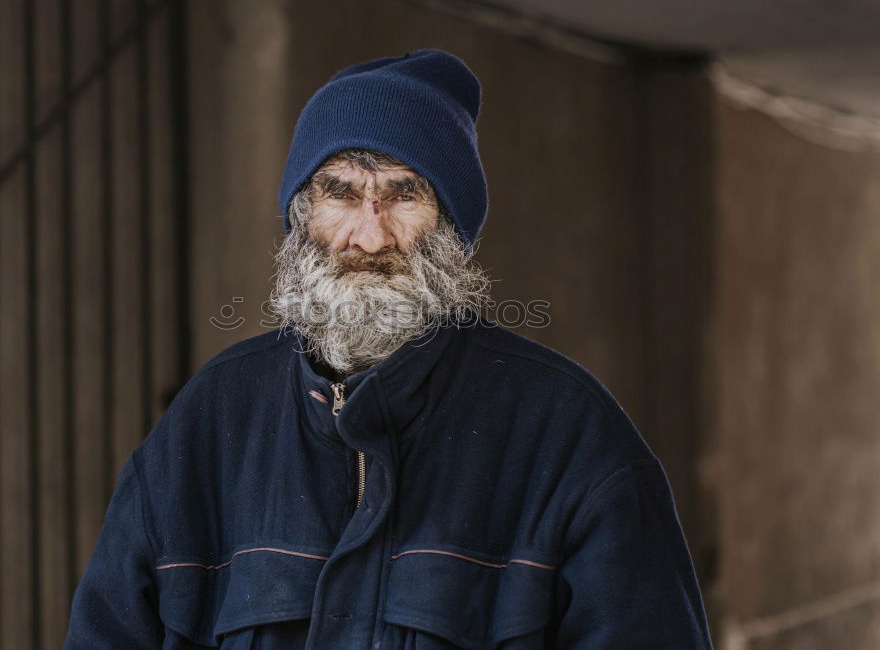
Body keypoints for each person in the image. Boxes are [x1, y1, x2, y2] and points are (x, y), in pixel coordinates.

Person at [65, 48, 714, 649]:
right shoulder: (210, 421)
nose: (369, 235)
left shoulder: (568, 435)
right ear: (300, 215)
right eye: (340, 191)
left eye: (405, 193)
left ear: (451, 227)